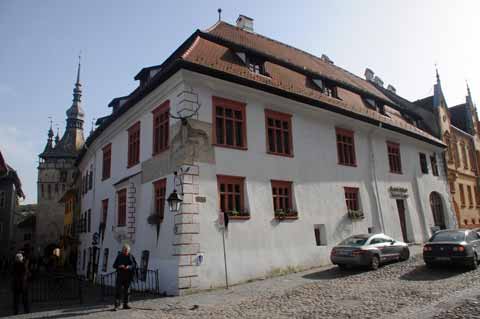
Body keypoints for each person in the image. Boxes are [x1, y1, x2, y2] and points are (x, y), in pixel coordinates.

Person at [112, 244, 137, 310]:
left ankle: (125, 304)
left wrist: (129, 267)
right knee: (118, 291)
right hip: (120, 276)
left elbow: (134, 265)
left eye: (127, 251)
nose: (126, 252)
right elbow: (114, 265)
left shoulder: (131, 256)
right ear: (122, 250)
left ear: (129, 251)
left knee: (127, 291)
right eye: (124, 250)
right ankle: (117, 305)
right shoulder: (119, 256)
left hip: (128, 277)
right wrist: (119, 266)